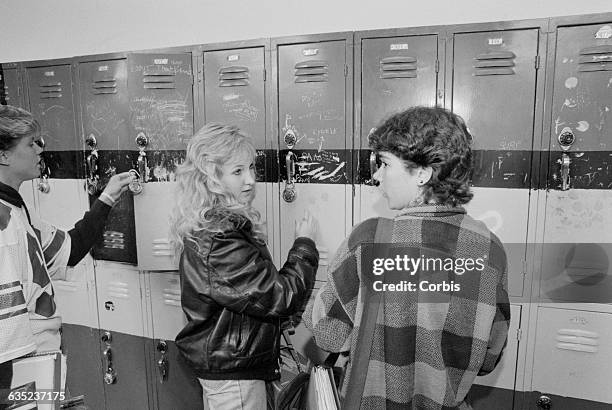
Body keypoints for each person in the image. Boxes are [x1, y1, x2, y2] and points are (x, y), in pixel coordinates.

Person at [304, 106, 510, 409]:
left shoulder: (369, 240)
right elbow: (489, 356)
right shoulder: (490, 249)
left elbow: (328, 334)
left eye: (385, 164)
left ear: (423, 174)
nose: (376, 175)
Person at [170, 123, 319, 410]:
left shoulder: (215, 228)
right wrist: (304, 244)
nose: (250, 179)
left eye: (251, 168)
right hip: (234, 378)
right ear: (211, 178)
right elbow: (281, 296)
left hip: (234, 368)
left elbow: (254, 294)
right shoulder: (220, 238)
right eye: (237, 172)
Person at [0, 105, 134, 393]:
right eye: (31, 143)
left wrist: (107, 197)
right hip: (15, 370)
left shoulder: (16, 208)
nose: (40, 150)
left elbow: (69, 250)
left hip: (37, 360)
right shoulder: (3, 221)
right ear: (3, 155)